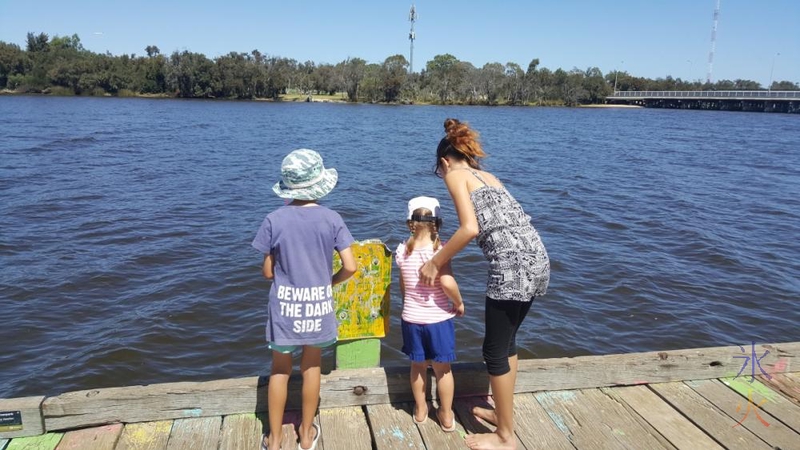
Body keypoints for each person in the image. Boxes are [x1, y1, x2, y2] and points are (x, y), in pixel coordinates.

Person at [418, 119, 550, 450]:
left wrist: (435, 261)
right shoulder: (489, 177)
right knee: (507, 344)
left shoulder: (454, 175)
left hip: (511, 266)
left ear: (445, 162)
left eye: (440, 169)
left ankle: (506, 437)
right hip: (537, 258)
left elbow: (469, 228)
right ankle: (505, 415)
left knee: (493, 351)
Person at [252, 148, 357, 450]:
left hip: (284, 307)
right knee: (311, 368)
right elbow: (350, 266)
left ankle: (273, 439)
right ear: (320, 184)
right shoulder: (332, 218)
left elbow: (268, 273)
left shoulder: (274, 219)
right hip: (318, 304)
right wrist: (329, 282)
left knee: (279, 370)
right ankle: (307, 434)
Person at [395, 196, 465, 433]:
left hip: (411, 319)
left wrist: (408, 303)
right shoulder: (441, 251)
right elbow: (446, 282)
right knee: (442, 369)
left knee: (417, 367)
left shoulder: (402, 251)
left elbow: (403, 286)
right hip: (437, 320)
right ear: (437, 223)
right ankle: (445, 415)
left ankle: (421, 409)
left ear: (410, 223)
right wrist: (459, 302)